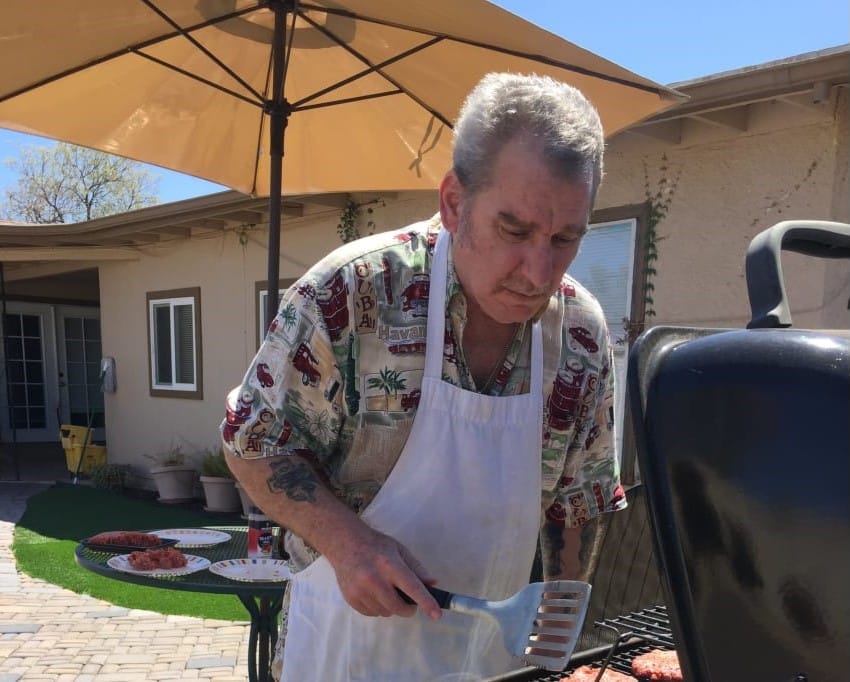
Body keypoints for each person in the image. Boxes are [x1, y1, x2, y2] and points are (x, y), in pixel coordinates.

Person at [221, 72, 626, 682]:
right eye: (514, 231)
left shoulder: (580, 336)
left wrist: (553, 644)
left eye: (566, 238)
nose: (539, 272)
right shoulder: (354, 294)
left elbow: (579, 504)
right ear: (455, 202)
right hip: (343, 653)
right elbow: (251, 441)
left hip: (487, 660)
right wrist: (347, 543)